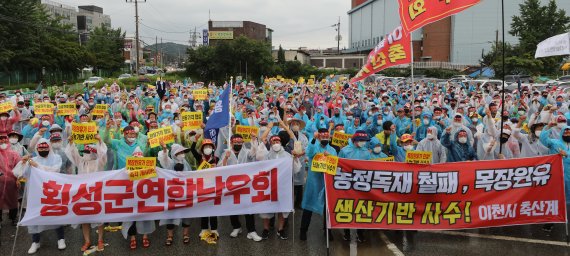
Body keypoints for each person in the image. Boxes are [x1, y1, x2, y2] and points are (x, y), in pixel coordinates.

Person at [13, 139, 65, 254]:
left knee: (55, 214)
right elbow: (18, 173)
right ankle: (35, 241)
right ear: (37, 149)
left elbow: (55, 170)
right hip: (35, 195)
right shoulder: (32, 160)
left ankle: (61, 238)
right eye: (40, 148)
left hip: (51, 193)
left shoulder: (56, 158)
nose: (43, 150)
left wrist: (37, 166)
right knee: (34, 216)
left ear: (49, 148)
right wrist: (22, 162)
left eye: (45, 148)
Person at [64, 134, 107, 252]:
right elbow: (73, 154)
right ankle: (87, 240)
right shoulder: (81, 161)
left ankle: (100, 239)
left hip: (97, 192)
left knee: (99, 215)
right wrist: (71, 143)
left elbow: (103, 153)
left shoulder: (100, 161)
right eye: (86, 151)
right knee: (84, 216)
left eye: (90, 151)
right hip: (83, 192)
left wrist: (99, 141)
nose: (88, 153)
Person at [219, 134, 263, 242]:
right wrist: (226, 157)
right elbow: (220, 168)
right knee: (232, 207)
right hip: (231, 185)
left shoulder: (246, 152)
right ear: (231, 142)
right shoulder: (226, 153)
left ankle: (251, 231)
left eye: (240, 142)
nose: (238, 144)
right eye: (236, 142)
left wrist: (253, 140)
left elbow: (255, 154)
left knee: (248, 207)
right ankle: (236, 227)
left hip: (245, 185)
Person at [300, 128, 337, 241]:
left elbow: (336, 162)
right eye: (322, 136)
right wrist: (313, 140)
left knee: (327, 208)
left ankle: (327, 231)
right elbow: (309, 152)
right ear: (319, 137)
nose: (324, 138)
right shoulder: (314, 146)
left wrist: (329, 156)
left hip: (326, 181)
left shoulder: (332, 150)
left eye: (327, 136)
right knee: (308, 206)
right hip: (314, 181)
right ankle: (303, 230)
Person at [158, 142, 193, 245]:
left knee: (186, 215)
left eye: (183, 152)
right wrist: (164, 150)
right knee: (170, 216)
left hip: (185, 194)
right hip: (171, 195)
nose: (182, 154)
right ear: (174, 154)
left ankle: (186, 234)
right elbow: (164, 159)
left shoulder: (186, 164)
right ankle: (170, 236)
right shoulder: (170, 163)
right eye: (179, 152)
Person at [0, 133, 22, 227]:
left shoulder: (14, 154)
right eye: (1, 139)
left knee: (13, 200)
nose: (3, 141)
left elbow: (20, 166)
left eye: (5, 139)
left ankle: (13, 218)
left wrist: (19, 179)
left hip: (12, 181)